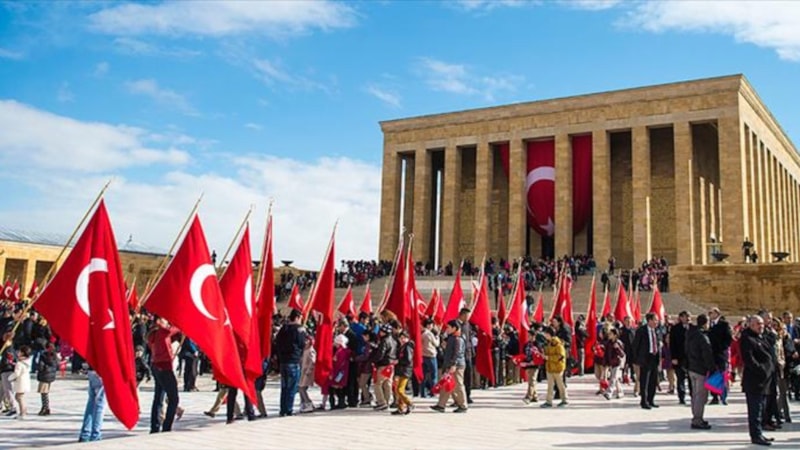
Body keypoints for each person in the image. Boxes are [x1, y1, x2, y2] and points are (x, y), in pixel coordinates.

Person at [740, 315, 776, 446]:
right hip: (755, 381)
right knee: (755, 410)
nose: (761, 326)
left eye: (762, 324)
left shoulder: (762, 337)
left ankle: (759, 432)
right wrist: (762, 371)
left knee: (761, 409)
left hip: (765, 381)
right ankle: (755, 435)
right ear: (751, 325)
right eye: (758, 324)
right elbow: (749, 359)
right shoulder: (747, 339)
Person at [147, 317, 181, 433]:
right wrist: (183, 323)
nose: (167, 322)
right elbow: (174, 329)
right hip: (164, 367)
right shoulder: (161, 331)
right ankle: (167, 426)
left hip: (156, 365)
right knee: (173, 398)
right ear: (159, 321)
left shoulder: (152, 333)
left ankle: (155, 426)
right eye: (165, 320)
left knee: (158, 397)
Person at [430, 320, 467, 413]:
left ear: (454, 328)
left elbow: (457, 353)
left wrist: (453, 365)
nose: (447, 329)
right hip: (449, 365)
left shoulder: (458, 339)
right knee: (446, 384)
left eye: (449, 327)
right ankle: (441, 405)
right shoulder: (451, 338)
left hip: (457, 366)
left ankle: (463, 405)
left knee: (458, 385)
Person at [274, 309, 306, 417]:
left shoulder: (283, 329)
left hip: (283, 361)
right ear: (297, 317)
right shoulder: (299, 329)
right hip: (293, 361)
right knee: (292, 387)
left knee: (284, 387)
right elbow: (302, 344)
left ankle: (283, 409)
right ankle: (288, 409)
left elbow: (277, 343)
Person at [686, 314, 714, 430]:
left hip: (691, 367)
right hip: (700, 369)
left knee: (695, 395)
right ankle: (697, 419)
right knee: (701, 396)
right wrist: (712, 368)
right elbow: (707, 354)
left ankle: (696, 416)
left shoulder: (690, 334)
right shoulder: (702, 337)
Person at [633, 313, 661, 410]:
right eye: (654, 320)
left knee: (653, 380)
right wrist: (636, 359)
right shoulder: (641, 331)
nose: (656, 322)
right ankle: (644, 401)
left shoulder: (656, 331)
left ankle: (651, 399)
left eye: (657, 320)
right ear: (649, 320)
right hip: (645, 358)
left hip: (654, 358)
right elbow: (636, 345)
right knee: (645, 380)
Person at [370, 324, 397, 411]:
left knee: (377, 384)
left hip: (383, 365)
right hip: (391, 365)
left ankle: (381, 402)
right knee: (387, 384)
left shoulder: (384, 341)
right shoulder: (394, 340)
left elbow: (381, 354)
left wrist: (374, 360)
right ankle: (387, 401)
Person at [541, 326, 568, 408]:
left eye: (546, 334)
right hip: (550, 367)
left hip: (557, 368)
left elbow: (560, 357)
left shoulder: (558, 344)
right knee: (550, 385)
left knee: (560, 385)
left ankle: (565, 400)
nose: (545, 335)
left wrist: (549, 358)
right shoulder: (548, 343)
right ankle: (548, 401)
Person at [78, 364, 106, 442]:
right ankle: (95, 434)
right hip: (102, 371)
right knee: (99, 404)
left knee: (91, 403)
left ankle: (85, 434)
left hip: (92, 370)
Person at [670, 311, 692, 405]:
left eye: (689, 316)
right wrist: (673, 357)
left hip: (691, 358)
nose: (688, 318)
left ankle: (693, 396)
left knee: (692, 378)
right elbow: (672, 344)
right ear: (681, 317)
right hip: (679, 357)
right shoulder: (675, 329)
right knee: (680, 378)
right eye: (686, 316)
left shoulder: (693, 328)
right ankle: (681, 397)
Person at [392, 331, 414, 415]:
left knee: (400, 390)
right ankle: (400, 408)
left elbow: (408, 360)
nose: (402, 340)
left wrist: (398, 361)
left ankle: (409, 403)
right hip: (401, 370)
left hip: (405, 371)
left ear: (407, 338)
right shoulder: (402, 346)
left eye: (404, 338)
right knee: (398, 389)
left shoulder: (408, 346)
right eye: (401, 338)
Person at [328, 333, 352, 410]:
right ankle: (341, 402)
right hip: (343, 372)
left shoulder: (340, 352)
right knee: (340, 387)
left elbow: (337, 363)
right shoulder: (346, 350)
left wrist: (332, 373)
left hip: (337, 372)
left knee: (333, 387)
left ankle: (334, 403)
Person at [457, 308, 474, 404]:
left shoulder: (467, 325)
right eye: (467, 316)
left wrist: (472, 352)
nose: (468, 318)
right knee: (459, 379)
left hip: (468, 354)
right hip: (459, 356)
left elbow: (469, 339)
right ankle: (458, 398)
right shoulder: (456, 324)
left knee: (468, 376)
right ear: (462, 315)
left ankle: (467, 395)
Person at [8, 345, 31, 419]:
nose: (18, 353)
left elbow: (17, 373)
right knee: (20, 397)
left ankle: (23, 413)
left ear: (22, 353)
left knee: (19, 397)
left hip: (21, 382)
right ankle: (24, 411)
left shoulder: (20, 363)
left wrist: (9, 378)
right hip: (25, 381)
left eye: (20, 351)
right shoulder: (27, 361)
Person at [520, 329, 543, 404]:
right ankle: (535, 396)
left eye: (529, 336)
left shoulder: (537, 344)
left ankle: (528, 396)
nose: (528, 337)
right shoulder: (526, 344)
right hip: (527, 364)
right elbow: (523, 354)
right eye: (528, 336)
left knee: (532, 381)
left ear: (534, 336)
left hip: (534, 365)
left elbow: (540, 355)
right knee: (530, 381)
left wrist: (535, 361)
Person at [36, 343, 58, 416]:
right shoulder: (54, 355)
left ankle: (45, 408)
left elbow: (41, 366)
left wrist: (39, 367)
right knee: (45, 392)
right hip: (50, 376)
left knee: (43, 393)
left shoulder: (44, 355)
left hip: (44, 375)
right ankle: (45, 407)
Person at [603, 328, 625, 400]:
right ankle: (620, 392)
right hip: (611, 363)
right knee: (615, 379)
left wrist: (618, 348)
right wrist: (605, 363)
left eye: (611, 334)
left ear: (615, 335)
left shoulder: (618, 343)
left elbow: (622, 354)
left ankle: (609, 393)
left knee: (613, 378)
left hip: (617, 363)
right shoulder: (608, 343)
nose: (609, 335)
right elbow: (606, 354)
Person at [421, 319, 440, 398]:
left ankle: (422, 392)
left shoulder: (421, 333)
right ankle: (434, 392)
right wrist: (437, 337)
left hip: (423, 355)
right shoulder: (429, 334)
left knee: (423, 376)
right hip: (431, 355)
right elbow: (436, 344)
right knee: (434, 375)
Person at [298, 335, 317, 413]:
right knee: (300, 388)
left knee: (302, 388)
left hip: (307, 373)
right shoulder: (304, 350)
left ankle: (308, 403)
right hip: (303, 371)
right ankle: (305, 403)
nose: (305, 342)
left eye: (307, 341)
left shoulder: (310, 350)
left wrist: (308, 371)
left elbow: (313, 362)